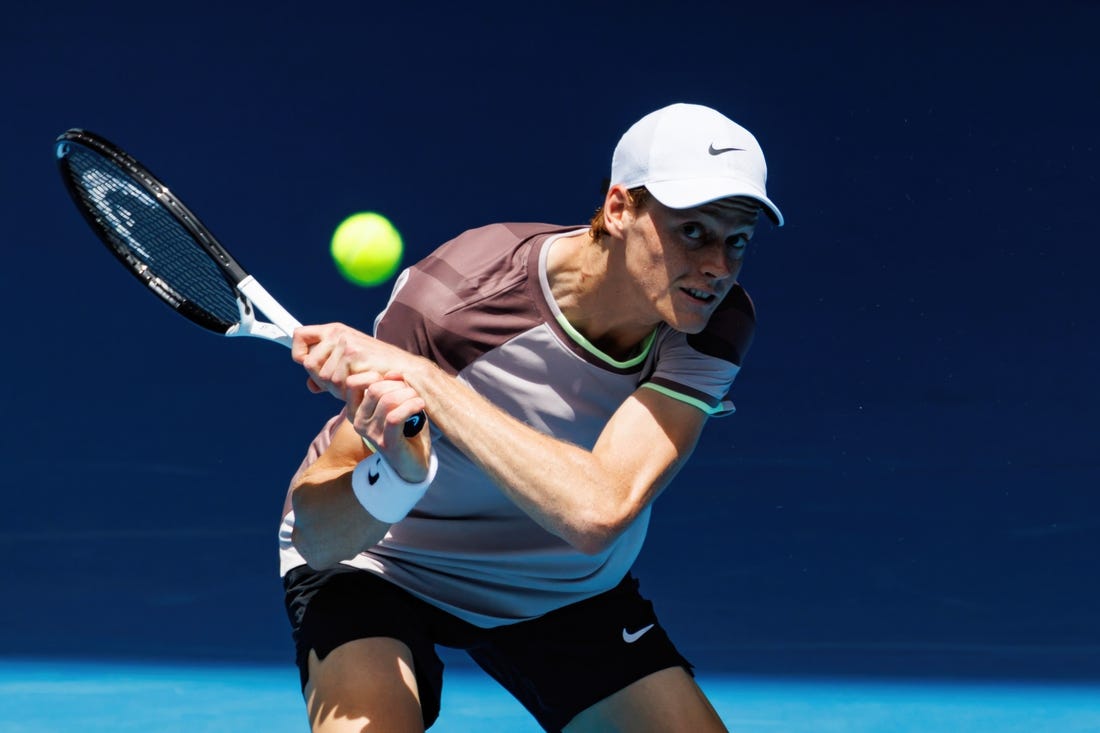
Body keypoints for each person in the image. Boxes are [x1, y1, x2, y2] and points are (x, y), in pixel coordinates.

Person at [279, 102, 784, 733]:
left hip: (564, 587)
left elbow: (601, 509)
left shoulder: (714, 322)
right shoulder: (456, 301)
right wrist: (398, 479)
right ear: (621, 208)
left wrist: (431, 385)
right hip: (389, 567)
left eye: (737, 242)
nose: (717, 266)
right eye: (693, 232)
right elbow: (318, 540)